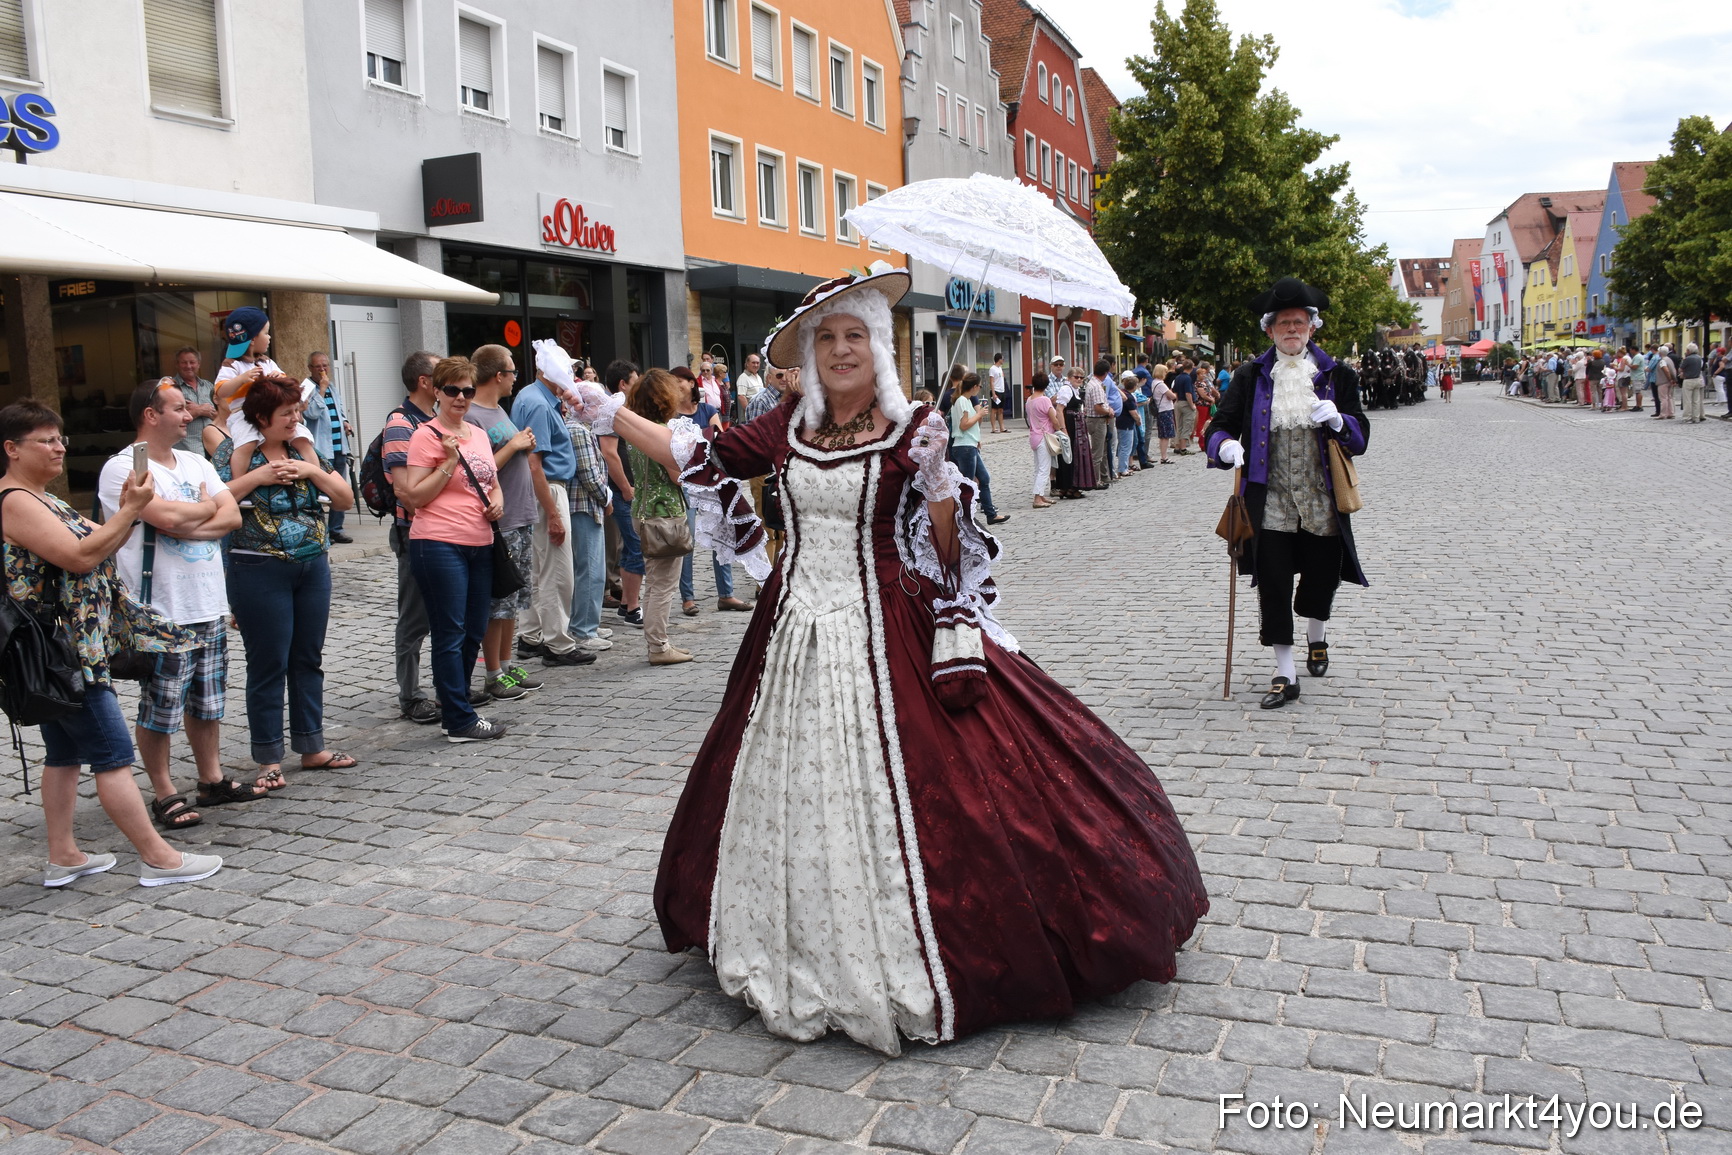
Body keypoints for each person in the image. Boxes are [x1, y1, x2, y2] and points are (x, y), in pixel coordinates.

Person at [607, 264, 1207, 1055]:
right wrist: (611, 413)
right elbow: (704, 458)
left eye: (857, 335)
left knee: (956, 784)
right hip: (792, 635)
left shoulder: (913, 426)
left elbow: (949, 553)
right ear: (811, 356)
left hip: (891, 622)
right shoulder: (786, 422)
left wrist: (940, 483)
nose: (843, 349)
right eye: (828, 339)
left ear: (881, 348)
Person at [1, 401, 224, 888]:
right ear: (11, 450)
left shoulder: (39, 496)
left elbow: (98, 543)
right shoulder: (15, 501)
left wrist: (126, 512)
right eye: (46, 440)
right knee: (112, 754)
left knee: (63, 752)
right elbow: (81, 557)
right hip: (62, 651)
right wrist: (131, 510)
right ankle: (158, 858)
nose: (60, 447)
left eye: (61, 438)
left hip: (65, 645)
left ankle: (63, 855)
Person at [1204, 277, 1370, 710]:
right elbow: (1218, 424)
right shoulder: (1251, 375)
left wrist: (1339, 422)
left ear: (1311, 328)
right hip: (1269, 499)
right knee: (1273, 582)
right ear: (1270, 331)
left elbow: (1361, 436)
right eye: (1283, 324)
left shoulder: (1337, 376)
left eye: (1299, 322)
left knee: (1320, 577)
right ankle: (1285, 671)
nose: (1291, 330)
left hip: (1321, 501)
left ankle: (1317, 634)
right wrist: (1224, 445)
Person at [99, 379, 253, 832]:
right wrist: (201, 511)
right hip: (160, 608)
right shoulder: (123, 467)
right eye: (179, 409)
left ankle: (212, 779)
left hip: (207, 600)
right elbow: (161, 517)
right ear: (151, 414)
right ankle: (164, 791)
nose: (190, 417)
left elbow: (233, 515)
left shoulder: (193, 459)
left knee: (209, 700)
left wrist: (188, 521)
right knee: (161, 705)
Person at [220, 374, 358, 781]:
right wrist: (257, 478)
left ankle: (312, 746)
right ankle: (268, 759)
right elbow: (213, 498)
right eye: (286, 413)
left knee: (307, 659)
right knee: (268, 663)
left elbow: (345, 499)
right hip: (258, 567)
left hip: (312, 564)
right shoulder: (235, 450)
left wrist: (310, 470)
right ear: (261, 416)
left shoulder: (305, 447)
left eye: (297, 410)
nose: (296, 418)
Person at [394, 357, 510, 742]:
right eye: (453, 390)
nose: (461, 398)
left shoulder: (476, 432)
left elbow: (491, 480)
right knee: (450, 631)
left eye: (468, 391)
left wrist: (498, 501)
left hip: (480, 542)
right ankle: (459, 718)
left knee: (474, 629)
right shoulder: (425, 435)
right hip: (439, 542)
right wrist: (447, 460)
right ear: (437, 391)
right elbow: (416, 498)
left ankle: (456, 708)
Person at [466, 344, 545, 700]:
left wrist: (520, 444)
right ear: (498, 375)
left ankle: (508, 664)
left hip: (520, 514)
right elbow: (476, 470)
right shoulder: (472, 416)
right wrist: (514, 446)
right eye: (513, 371)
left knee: (514, 597)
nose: (516, 378)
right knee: (498, 600)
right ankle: (493, 673)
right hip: (502, 519)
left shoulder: (498, 409)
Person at [513, 344, 588, 666]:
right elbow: (535, 463)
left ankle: (530, 636)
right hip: (548, 490)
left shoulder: (534, 397)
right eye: (567, 369)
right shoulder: (540, 405)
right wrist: (555, 513)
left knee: (540, 567)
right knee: (557, 571)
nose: (571, 375)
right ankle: (558, 643)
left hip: (543, 489)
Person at [385, 352, 441, 724]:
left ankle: (449, 684)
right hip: (415, 530)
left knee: (446, 614)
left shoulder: (437, 420)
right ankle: (410, 694)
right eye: (442, 377)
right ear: (424, 381)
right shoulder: (400, 423)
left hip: (446, 530)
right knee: (414, 616)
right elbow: (405, 489)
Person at [624, 369, 694, 665]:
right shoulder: (664, 433)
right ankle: (658, 646)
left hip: (642, 511)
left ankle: (656, 642)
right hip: (664, 516)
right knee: (663, 584)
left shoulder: (635, 430)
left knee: (654, 582)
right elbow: (677, 477)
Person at [211, 307, 318, 486]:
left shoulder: (267, 361)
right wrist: (242, 379)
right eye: (266, 333)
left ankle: (317, 476)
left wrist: (278, 378)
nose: (269, 338)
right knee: (246, 444)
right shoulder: (232, 365)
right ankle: (240, 481)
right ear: (252, 339)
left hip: (273, 413)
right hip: (243, 415)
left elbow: (284, 379)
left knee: (303, 438)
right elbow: (221, 390)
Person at [560, 380, 617, 653]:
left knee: (591, 570)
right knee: (590, 570)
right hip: (583, 506)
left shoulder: (582, 429)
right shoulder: (578, 431)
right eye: (598, 405)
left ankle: (588, 622)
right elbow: (588, 474)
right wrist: (606, 498)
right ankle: (583, 628)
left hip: (585, 505)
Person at [301, 352, 355, 544]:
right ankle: (320, 531)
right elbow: (312, 413)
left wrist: (346, 423)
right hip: (321, 449)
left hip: (339, 445)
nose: (323, 370)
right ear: (310, 368)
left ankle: (336, 529)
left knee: (339, 488)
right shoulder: (306, 388)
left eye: (325, 366)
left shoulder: (332, 386)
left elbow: (339, 410)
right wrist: (321, 391)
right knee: (320, 492)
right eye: (318, 367)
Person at [948, 373, 1009, 526]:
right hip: (964, 446)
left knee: (984, 478)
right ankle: (965, 516)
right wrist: (980, 414)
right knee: (968, 484)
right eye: (980, 386)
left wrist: (977, 438)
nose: (979, 389)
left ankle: (990, 514)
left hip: (970, 444)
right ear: (974, 387)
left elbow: (968, 425)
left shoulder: (965, 400)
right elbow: (964, 425)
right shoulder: (962, 400)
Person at [169, 346, 219, 456]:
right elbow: (168, 420)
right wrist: (198, 411)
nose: (188, 366)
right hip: (186, 450)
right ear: (177, 364)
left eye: (192, 362)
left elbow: (222, 418)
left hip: (213, 448)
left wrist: (209, 412)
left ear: (198, 364)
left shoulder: (209, 386)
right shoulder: (171, 387)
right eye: (184, 362)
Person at [1026, 373, 1058, 509]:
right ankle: (1037, 498)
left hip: (1034, 436)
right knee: (1044, 469)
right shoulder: (1045, 400)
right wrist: (1060, 429)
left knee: (1038, 468)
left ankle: (1040, 494)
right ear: (1046, 385)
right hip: (1044, 436)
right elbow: (1053, 417)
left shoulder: (1029, 400)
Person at [1084, 360, 1113, 486]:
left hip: (1095, 420)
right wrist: (1109, 412)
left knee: (1101, 450)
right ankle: (1096, 480)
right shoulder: (1096, 386)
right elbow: (1098, 408)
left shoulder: (1092, 383)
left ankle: (1103, 476)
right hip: (1097, 420)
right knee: (1097, 452)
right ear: (1106, 373)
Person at [1114, 370, 1143, 475]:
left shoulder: (1123, 393)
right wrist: (1139, 421)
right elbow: (1134, 413)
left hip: (1120, 422)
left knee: (1123, 445)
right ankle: (1123, 468)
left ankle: (1124, 467)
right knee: (1126, 446)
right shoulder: (1129, 397)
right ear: (1134, 386)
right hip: (1126, 424)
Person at [1150, 365, 1176, 463]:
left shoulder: (1154, 382)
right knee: (1166, 435)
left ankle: (1163, 455)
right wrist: (1173, 393)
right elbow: (1172, 396)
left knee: (1163, 434)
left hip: (1160, 409)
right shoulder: (1161, 384)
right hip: (1165, 409)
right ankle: (1164, 456)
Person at [1171, 361, 1197, 453]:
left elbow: (1175, 391)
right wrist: (1192, 405)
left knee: (1179, 425)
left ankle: (1177, 446)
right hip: (1186, 403)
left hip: (1178, 403)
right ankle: (1183, 448)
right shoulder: (1187, 378)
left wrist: (1177, 400)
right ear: (1192, 367)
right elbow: (1188, 393)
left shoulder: (1178, 377)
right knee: (1187, 425)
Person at [1654, 344, 1679, 419]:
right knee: (1670, 397)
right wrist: (1673, 379)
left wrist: (1670, 379)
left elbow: (1666, 370)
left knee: (1663, 398)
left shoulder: (1662, 361)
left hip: (1663, 381)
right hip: (1669, 381)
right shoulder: (1669, 359)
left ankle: (1663, 414)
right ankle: (1670, 413)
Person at [988, 351, 1008, 433]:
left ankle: (1002, 427)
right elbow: (991, 381)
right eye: (1002, 359)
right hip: (996, 391)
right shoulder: (992, 369)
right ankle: (993, 427)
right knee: (994, 410)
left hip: (1002, 390)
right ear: (999, 359)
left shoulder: (1000, 368)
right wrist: (993, 393)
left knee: (1000, 410)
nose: (1003, 360)